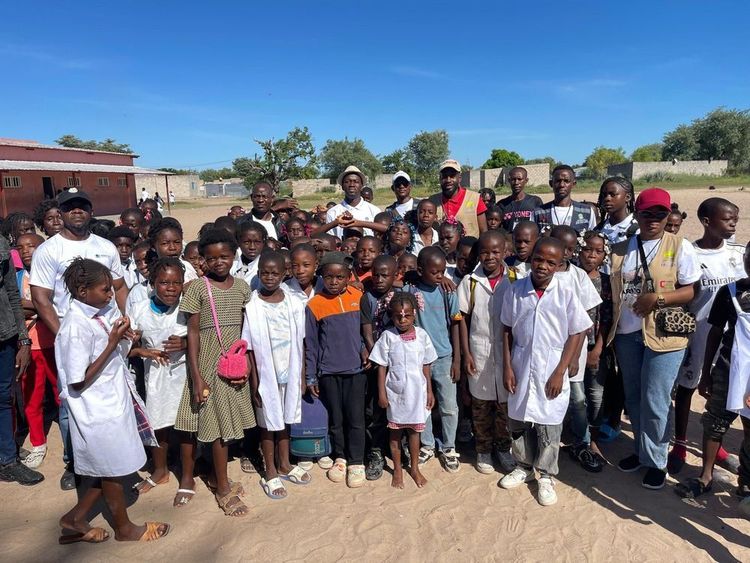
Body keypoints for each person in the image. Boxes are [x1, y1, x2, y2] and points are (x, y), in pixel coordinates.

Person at [55, 258, 169, 543]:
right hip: (95, 409)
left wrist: (127, 338)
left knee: (108, 465)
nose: (110, 295)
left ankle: (75, 519)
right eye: (105, 290)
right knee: (112, 468)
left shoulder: (100, 312)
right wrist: (112, 342)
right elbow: (77, 379)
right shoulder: (75, 326)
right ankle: (124, 529)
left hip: (113, 399)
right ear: (83, 291)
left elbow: (116, 353)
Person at [30, 188, 127, 490]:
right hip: (72, 336)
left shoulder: (105, 247)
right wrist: (63, 336)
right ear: (60, 213)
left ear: (90, 211)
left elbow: (119, 287)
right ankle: (74, 463)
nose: (76, 211)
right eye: (70, 206)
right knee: (72, 402)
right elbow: (41, 298)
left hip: (109, 335)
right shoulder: (49, 251)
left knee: (112, 396)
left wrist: (127, 321)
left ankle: (114, 455)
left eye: (82, 206)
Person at [609, 187, 701, 490]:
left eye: (660, 213)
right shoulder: (621, 248)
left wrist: (658, 299)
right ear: (637, 213)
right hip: (627, 333)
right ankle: (641, 452)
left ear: (667, 215)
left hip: (665, 336)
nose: (653, 219)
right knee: (634, 397)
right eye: (647, 213)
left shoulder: (679, 246)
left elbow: (691, 290)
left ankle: (657, 461)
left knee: (656, 399)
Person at [499, 238, 592, 506]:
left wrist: (560, 371)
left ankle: (547, 474)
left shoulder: (566, 292)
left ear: (560, 265)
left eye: (551, 263)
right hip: (521, 364)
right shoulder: (516, 290)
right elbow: (506, 329)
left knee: (549, 425)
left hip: (552, 367)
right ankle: (523, 466)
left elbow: (577, 331)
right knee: (518, 420)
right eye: (539, 259)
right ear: (531, 259)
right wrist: (508, 367)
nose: (543, 266)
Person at [173, 229, 256, 515]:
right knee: (217, 426)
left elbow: (247, 330)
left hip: (234, 363)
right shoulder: (197, 288)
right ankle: (222, 488)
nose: (219, 262)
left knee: (228, 424)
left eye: (224, 256)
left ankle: (216, 476)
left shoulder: (242, 287)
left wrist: (246, 363)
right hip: (209, 363)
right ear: (202, 261)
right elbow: (193, 333)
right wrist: (197, 376)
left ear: (234, 256)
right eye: (211, 258)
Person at [669, 198, 744, 474]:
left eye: (735, 219)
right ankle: (679, 443)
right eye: (727, 219)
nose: (733, 224)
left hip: (733, 339)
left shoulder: (739, 253)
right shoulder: (689, 253)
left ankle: (717, 447)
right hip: (698, 334)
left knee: (720, 391)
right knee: (688, 387)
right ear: (706, 221)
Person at [675, 242, 750, 501]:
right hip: (728, 371)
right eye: (749, 257)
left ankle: (746, 482)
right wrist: (706, 372)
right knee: (715, 423)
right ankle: (706, 476)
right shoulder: (729, 292)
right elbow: (715, 333)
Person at [245, 251, 309, 500]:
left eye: (274, 273)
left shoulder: (294, 302)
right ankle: (270, 470)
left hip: (289, 371)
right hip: (266, 376)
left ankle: (284, 464)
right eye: (264, 273)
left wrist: (301, 376)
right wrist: (255, 383)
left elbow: (301, 342)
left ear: (284, 274)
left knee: (285, 420)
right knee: (267, 424)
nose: (269, 277)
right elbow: (250, 349)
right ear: (258, 273)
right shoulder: (253, 306)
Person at [305, 252, 367, 487]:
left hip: (356, 370)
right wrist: (311, 376)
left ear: (348, 276)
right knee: (336, 418)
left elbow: (364, 330)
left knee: (356, 418)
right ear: (321, 276)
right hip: (328, 372)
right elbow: (311, 344)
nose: (333, 282)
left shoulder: (358, 297)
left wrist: (364, 348)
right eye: (328, 277)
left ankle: (357, 461)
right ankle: (340, 457)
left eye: (339, 277)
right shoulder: (315, 305)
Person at [128, 258, 188, 497]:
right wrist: (142, 351)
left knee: (186, 425)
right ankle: (161, 470)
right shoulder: (140, 309)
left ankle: (188, 471)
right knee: (158, 424)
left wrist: (185, 343)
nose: (171, 288)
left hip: (185, 374)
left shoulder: (188, 307)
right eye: (164, 283)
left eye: (176, 283)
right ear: (152, 284)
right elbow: (123, 346)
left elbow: (204, 337)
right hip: (155, 376)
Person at [458, 231, 516, 474]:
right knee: (480, 406)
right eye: (484, 252)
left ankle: (503, 448)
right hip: (479, 351)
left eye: (495, 252)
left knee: (505, 406)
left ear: (505, 252)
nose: (490, 257)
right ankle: (483, 449)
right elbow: (462, 319)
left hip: (508, 354)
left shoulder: (515, 279)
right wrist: (466, 354)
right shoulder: (470, 282)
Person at [549, 225, 604, 472]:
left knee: (578, 399)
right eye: (561, 247)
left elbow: (585, 321)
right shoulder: (540, 272)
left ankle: (581, 442)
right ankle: (547, 443)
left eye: (571, 249)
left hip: (574, 351)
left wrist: (573, 357)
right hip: (547, 348)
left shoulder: (578, 276)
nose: (566, 253)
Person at [369, 292, 437, 489]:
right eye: (398, 316)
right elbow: (381, 366)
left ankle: (414, 468)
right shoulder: (388, 337)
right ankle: (398, 469)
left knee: (414, 432)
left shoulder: (422, 336)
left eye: (407, 315)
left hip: (417, 392)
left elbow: (426, 365)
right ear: (392, 316)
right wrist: (382, 393)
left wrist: (429, 391)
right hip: (395, 393)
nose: (403, 319)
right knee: (395, 432)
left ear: (414, 314)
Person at [405, 247, 462, 471]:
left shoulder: (447, 291)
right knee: (424, 404)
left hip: (444, 356)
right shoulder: (410, 290)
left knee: (449, 405)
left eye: (442, 272)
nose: (440, 276)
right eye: (435, 272)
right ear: (420, 271)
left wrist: (457, 359)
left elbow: (456, 323)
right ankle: (427, 444)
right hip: (419, 359)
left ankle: (449, 447)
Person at [15, 233, 59, 469]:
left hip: (54, 343)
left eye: (32, 246)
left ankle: (73, 445)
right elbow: (15, 308)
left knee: (62, 395)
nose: (26, 251)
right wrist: (40, 306)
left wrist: (32, 306)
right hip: (28, 347)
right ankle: (38, 443)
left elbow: (56, 306)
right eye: (21, 247)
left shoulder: (54, 274)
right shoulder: (16, 277)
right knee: (32, 398)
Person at [0, 233, 39, 485]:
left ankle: (7, 460)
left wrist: (24, 340)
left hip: (4, 334)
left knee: (4, 398)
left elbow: (13, 295)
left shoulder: (1, 244)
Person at [575, 231, 613, 467]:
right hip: (572, 347)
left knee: (595, 394)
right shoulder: (571, 276)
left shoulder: (606, 282)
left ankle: (594, 439)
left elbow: (607, 318)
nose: (591, 255)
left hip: (594, 345)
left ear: (604, 256)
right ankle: (578, 436)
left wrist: (597, 349)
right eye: (588, 249)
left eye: (598, 251)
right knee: (576, 395)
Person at [360, 255, 399, 480]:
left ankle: (398, 447)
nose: (379, 279)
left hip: (399, 363)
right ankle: (375, 452)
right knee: (374, 410)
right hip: (377, 362)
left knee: (398, 406)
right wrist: (378, 358)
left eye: (385, 275)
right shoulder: (367, 298)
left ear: (395, 276)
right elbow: (367, 332)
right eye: (376, 275)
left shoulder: (401, 296)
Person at [428, 159, 487, 237]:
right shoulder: (432, 201)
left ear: (459, 178)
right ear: (440, 179)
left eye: (452, 176)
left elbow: (484, 231)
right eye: (444, 176)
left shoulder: (475, 198)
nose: (448, 180)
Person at [532, 165, 596, 233]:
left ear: (573, 184)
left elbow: (592, 237)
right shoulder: (538, 213)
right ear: (551, 183)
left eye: (566, 181)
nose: (562, 185)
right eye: (558, 181)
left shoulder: (587, 212)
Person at [325, 166, 382, 238]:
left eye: (356, 182)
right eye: (347, 182)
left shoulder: (374, 211)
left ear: (361, 186)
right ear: (342, 186)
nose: (351, 185)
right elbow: (331, 240)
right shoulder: (332, 212)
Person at [498, 167, 543, 232]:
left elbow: (541, 225)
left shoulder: (535, 201)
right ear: (509, 180)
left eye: (519, 179)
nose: (516, 182)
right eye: (513, 179)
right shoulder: (502, 204)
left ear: (526, 180)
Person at [596, 177, 638, 244]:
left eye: (612, 195)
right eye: (604, 195)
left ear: (627, 197)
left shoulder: (637, 230)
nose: (607, 198)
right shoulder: (599, 228)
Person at [232, 222, 268, 290]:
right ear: (238, 242)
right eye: (246, 242)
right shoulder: (231, 267)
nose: (252, 247)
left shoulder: (266, 269)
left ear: (263, 243)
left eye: (257, 242)